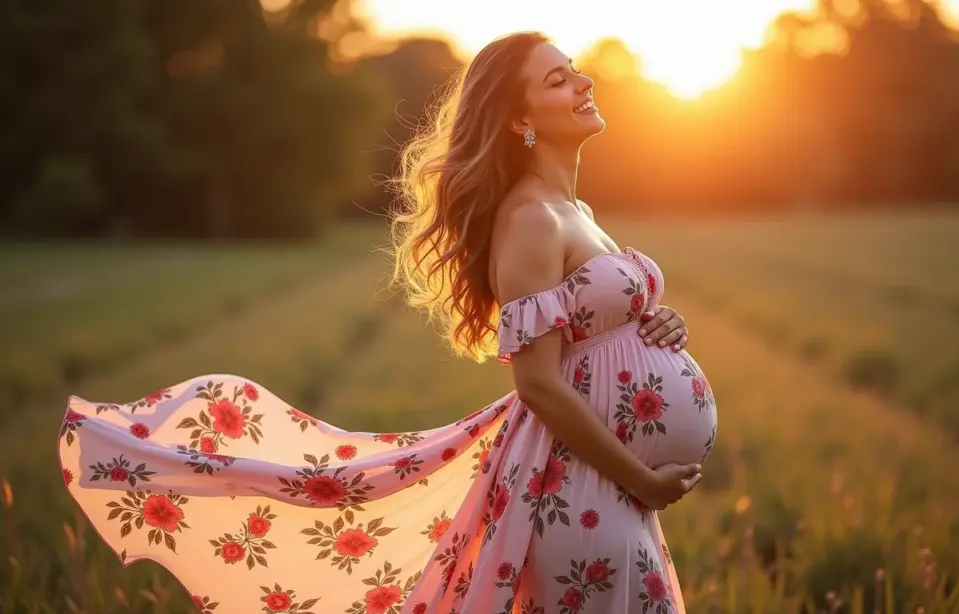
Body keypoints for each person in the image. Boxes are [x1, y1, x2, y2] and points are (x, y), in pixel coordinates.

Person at [58, 31, 717, 614]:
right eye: (557, 79)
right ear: (520, 118)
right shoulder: (531, 221)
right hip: (584, 489)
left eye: (574, 70)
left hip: (610, 486)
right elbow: (538, 383)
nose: (583, 81)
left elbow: (589, 333)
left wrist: (653, 327)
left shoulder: (576, 212)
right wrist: (639, 476)